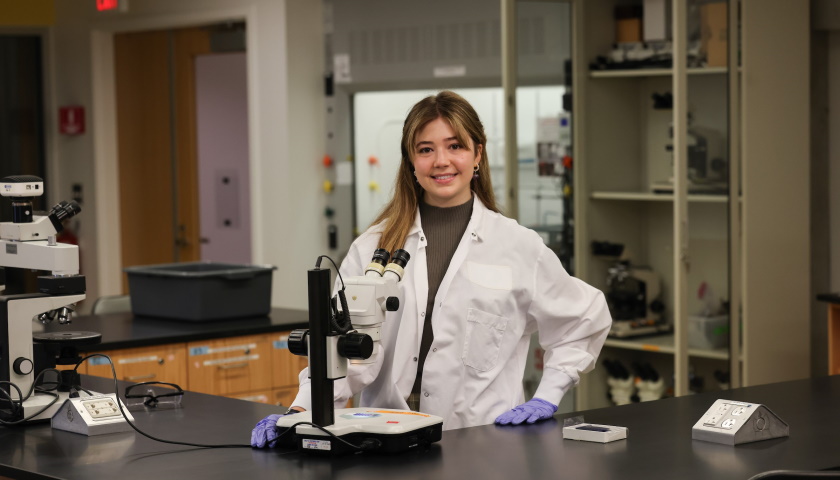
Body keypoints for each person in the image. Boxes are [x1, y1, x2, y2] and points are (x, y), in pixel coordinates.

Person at [251, 90, 611, 448]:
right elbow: (341, 351)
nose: (441, 161)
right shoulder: (373, 247)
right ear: (411, 160)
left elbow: (583, 318)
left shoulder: (517, 245)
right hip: (385, 438)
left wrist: (548, 394)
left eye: (455, 146)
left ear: (478, 155)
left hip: (483, 443)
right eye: (426, 149)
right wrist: (300, 411)